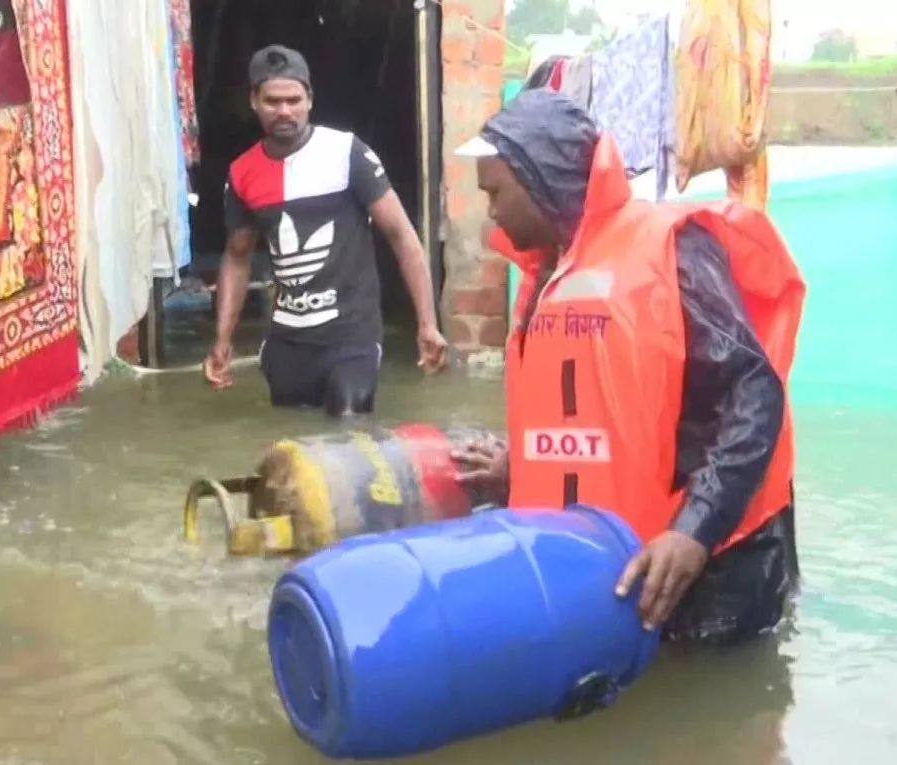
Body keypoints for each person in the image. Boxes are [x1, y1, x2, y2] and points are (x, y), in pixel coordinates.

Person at [451, 89, 806, 646]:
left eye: (495, 192)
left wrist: (695, 530)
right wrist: (520, 472)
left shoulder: (671, 247)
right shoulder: (550, 273)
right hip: (631, 561)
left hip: (720, 562)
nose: (490, 210)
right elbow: (593, 422)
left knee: (712, 716)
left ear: (539, 177)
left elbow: (754, 390)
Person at [203, 45, 448, 416]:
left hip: (352, 335)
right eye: (273, 101)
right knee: (293, 442)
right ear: (254, 101)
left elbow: (402, 236)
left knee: (347, 427)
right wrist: (222, 341)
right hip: (289, 341)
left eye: (293, 100)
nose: (284, 111)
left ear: (310, 100)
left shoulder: (347, 153)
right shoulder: (242, 173)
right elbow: (236, 259)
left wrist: (427, 324)